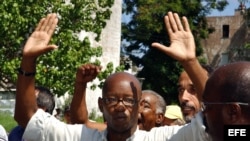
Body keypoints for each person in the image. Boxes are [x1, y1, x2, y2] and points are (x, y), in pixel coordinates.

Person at [15, 12, 212, 141]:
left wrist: (190, 62)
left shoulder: (162, 138)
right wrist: (28, 60)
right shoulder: (83, 137)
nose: (120, 106)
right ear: (101, 105)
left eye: (128, 100)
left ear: (138, 104)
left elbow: (214, 120)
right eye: (112, 99)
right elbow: (28, 118)